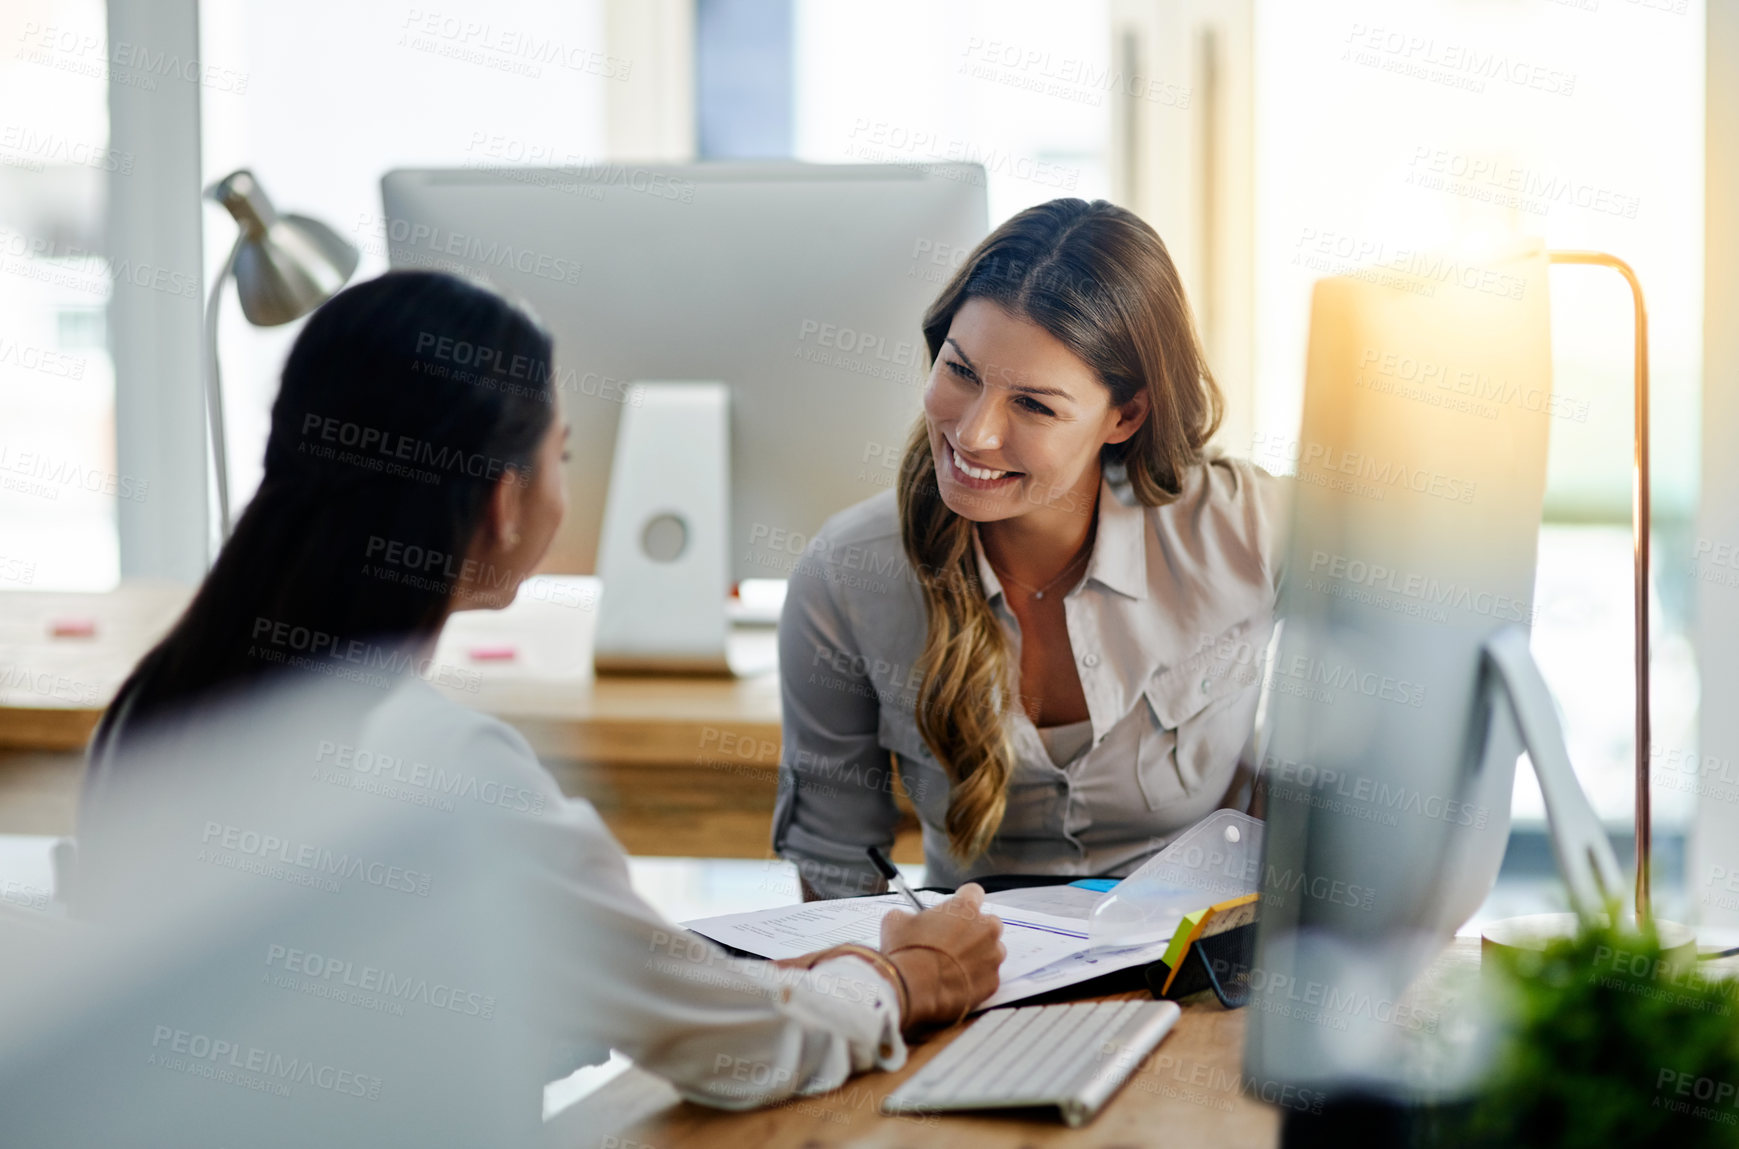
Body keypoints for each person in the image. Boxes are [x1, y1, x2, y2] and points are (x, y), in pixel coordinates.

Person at [73, 270, 1004, 1115]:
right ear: (503, 502)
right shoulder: (449, 772)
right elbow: (747, 1055)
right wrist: (898, 977)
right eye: (560, 452)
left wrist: (683, 984)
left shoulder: (153, 708)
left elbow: (360, 1012)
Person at [774, 199, 1286, 900]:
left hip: (1200, 970)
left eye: (1034, 405)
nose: (975, 433)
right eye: (960, 371)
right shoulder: (846, 574)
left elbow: (1417, 614)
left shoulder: (1243, 530)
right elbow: (834, 870)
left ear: (1125, 414)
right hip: (973, 980)